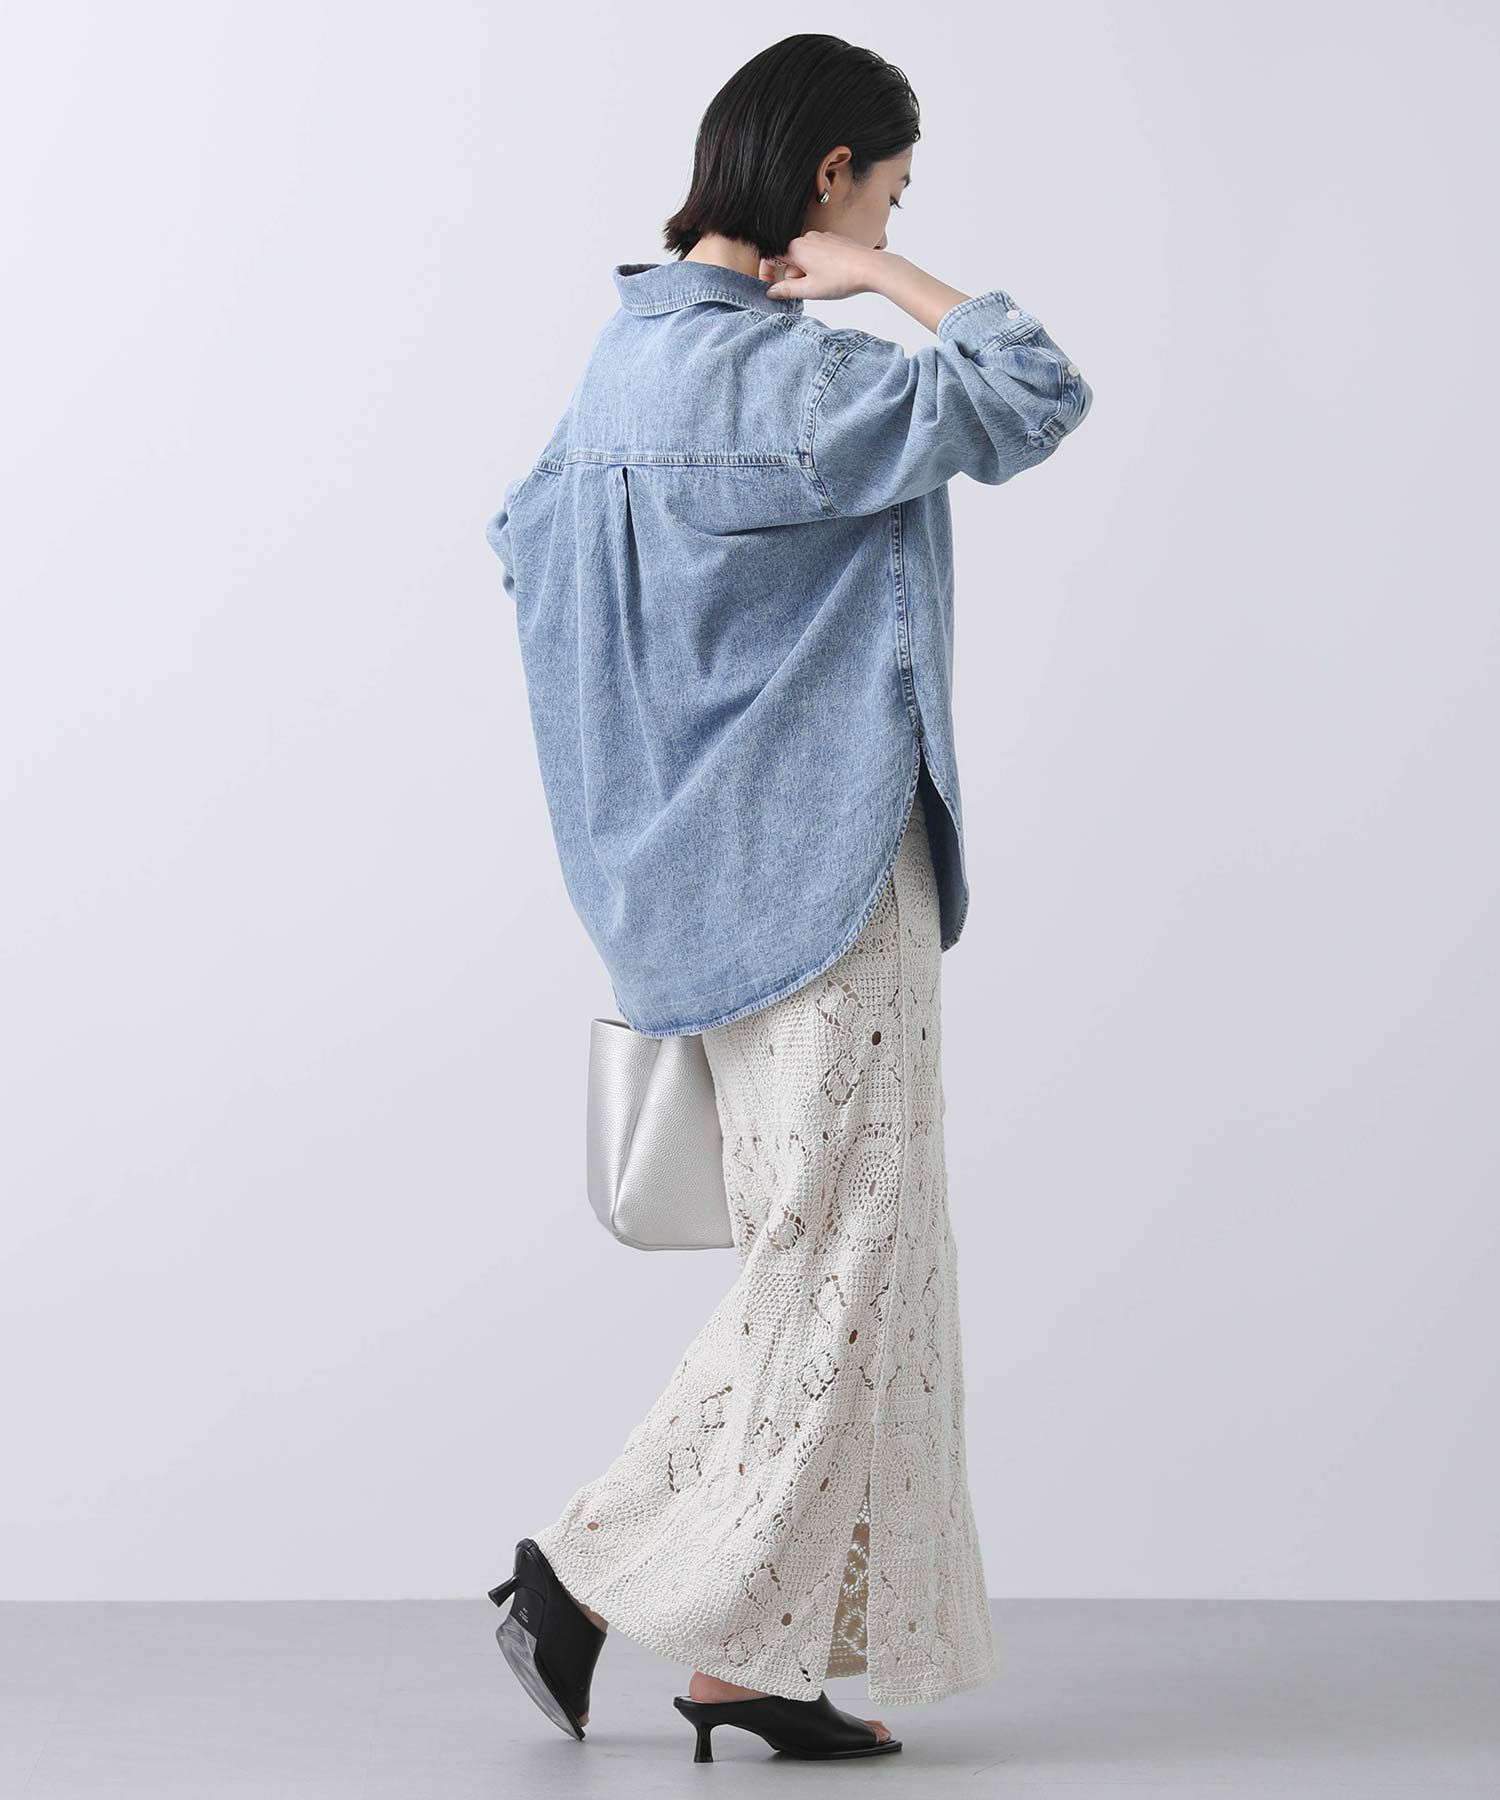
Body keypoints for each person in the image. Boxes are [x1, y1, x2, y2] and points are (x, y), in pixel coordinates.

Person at [482, 32, 1092, 1764]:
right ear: (827, 179)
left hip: (687, 897)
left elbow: (530, 565)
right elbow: (1034, 390)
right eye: (889, 191)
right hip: (825, 879)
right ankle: (583, 1574)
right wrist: (886, 280)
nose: (890, 220)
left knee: (839, 1260)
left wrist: (648, 808)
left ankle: (757, 1660)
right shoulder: (797, 385)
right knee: (843, 1261)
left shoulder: (616, 374)